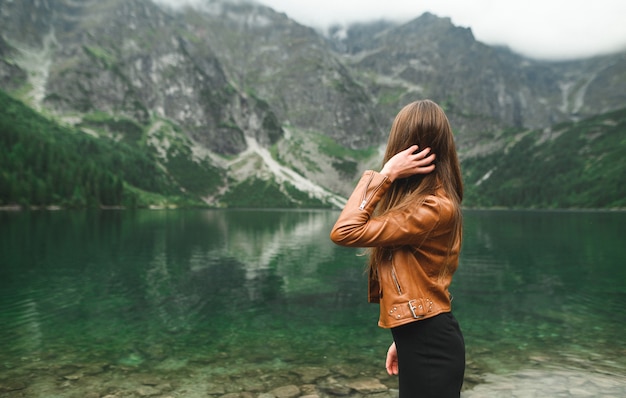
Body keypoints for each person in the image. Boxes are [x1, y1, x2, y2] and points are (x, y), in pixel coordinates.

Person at [330, 99, 465, 398]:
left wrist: (386, 173)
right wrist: (403, 339)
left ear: (404, 148)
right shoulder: (426, 202)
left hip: (432, 347)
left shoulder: (434, 207)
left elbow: (345, 231)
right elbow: (423, 279)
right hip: (423, 340)